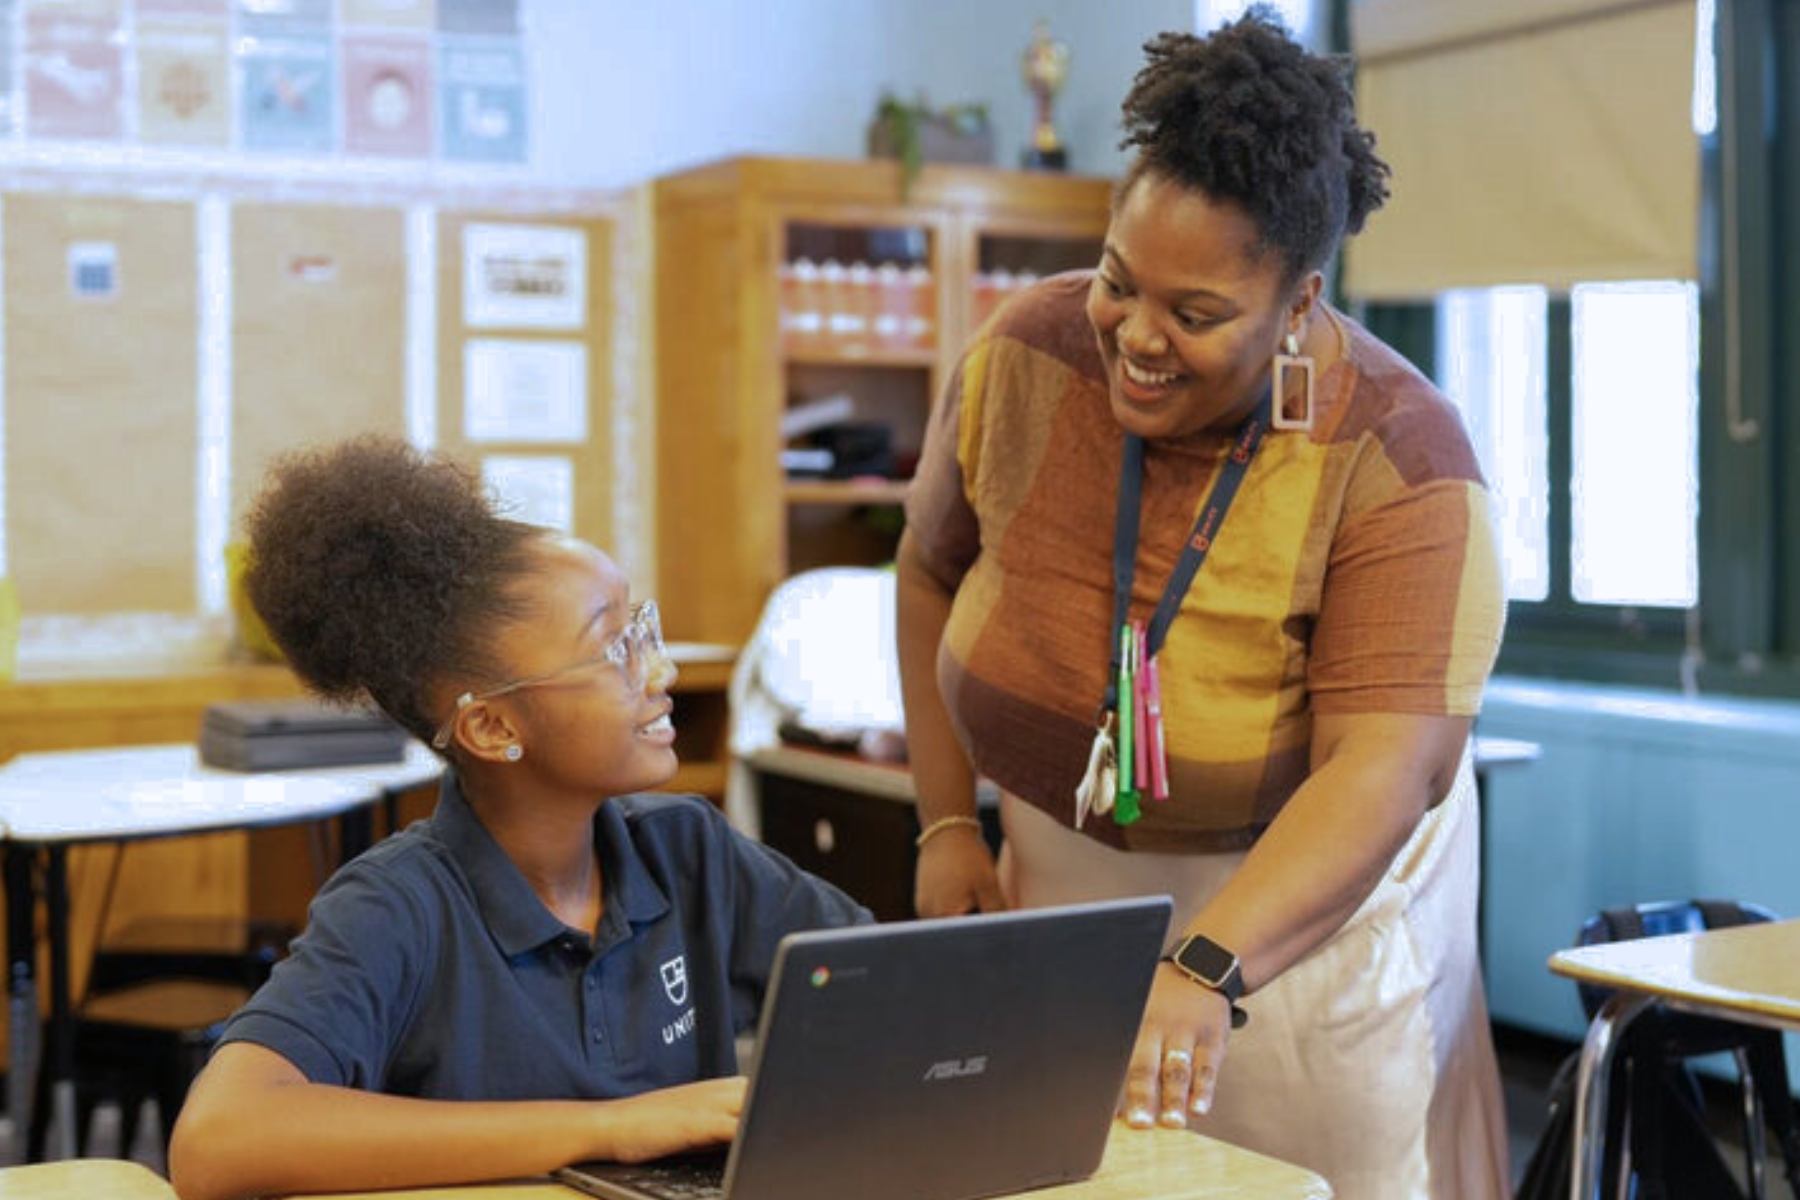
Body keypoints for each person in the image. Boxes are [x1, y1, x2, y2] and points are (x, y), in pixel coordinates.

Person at [896, 12, 1507, 1200]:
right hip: (1056, 887)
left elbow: (1385, 769)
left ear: (1299, 303)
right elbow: (927, 571)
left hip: (1303, 924)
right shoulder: (1024, 355)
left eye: (1196, 313)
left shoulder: (1401, 453)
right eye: (1119, 282)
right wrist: (947, 824)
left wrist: (1211, 964)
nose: (1136, 336)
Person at [169, 438, 869, 1200]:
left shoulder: (688, 850)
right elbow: (218, 1140)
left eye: (644, 629)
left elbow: (890, 986)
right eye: (614, 648)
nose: (660, 671)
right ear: (493, 728)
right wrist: (612, 1127)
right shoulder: (398, 907)